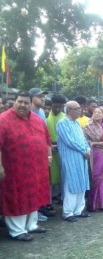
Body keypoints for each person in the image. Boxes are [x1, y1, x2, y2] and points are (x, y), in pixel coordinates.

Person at [0, 91, 52, 241]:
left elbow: (47, 139)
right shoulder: (3, 120)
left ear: (31, 104)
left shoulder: (37, 120)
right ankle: (17, 230)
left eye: (26, 103)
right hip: (14, 169)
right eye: (20, 102)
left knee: (34, 196)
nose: (23, 105)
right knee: (17, 198)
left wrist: (49, 156)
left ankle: (31, 225)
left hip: (37, 168)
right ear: (14, 102)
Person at [57, 101, 91, 222]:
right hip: (70, 159)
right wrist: (84, 150)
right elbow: (69, 141)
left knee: (81, 183)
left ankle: (78, 210)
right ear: (70, 110)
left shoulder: (76, 123)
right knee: (70, 185)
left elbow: (83, 139)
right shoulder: (62, 123)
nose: (80, 110)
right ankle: (68, 212)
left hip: (81, 158)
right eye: (77, 108)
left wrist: (87, 149)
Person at [46, 94, 67, 211]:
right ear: (51, 105)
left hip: (63, 151)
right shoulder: (46, 117)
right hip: (50, 151)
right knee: (51, 176)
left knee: (63, 174)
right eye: (55, 106)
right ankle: (50, 199)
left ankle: (62, 196)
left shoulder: (65, 118)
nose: (57, 109)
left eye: (60, 107)